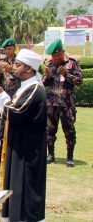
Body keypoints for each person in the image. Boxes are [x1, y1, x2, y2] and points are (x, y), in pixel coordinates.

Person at [0, 49, 47, 222]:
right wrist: (1, 95)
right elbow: (13, 107)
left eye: (18, 65)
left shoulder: (35, 89)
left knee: (26, 188)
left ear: (28, 68)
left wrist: (1, 96)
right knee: (15, 186)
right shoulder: (26, 87)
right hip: (19, 145)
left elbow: (16, 113)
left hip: (27, 150)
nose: (14, 67)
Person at [43, 39, 83, 167]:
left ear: (62, 52)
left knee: (69, 130)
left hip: (66, 104)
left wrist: (66, 74)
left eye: (57, 55)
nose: (54, 58)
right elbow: (44, 84)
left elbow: (79, 81)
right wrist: (47, 77)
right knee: (49, 130)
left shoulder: (72, 63)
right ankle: (51, 154)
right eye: (53, 56)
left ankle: (69, 157)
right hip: (51, 103)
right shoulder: (50, 64)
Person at [0, 38, 21, 158]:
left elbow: (24, 76)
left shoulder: (20, 61)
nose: (8, 51)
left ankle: (16, 150)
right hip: (5, 97)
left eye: (10, 48)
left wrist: (11, 70)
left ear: (15, 48)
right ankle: (1, 149)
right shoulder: (2, 61)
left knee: (17, 124)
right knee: (2, 124)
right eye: (6, 49)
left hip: (18, 97)